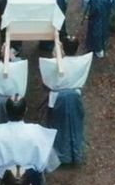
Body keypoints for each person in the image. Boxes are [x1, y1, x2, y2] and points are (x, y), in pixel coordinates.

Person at [39, 36, 92, 165]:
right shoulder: (83, 61)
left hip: (58, 100)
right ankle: (76, 154)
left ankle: (59, 156)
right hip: (75, 99)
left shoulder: (53, 64)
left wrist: (54, 58)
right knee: (75, 126)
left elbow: (46, 84)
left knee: (57, 127)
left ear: (62, 48)